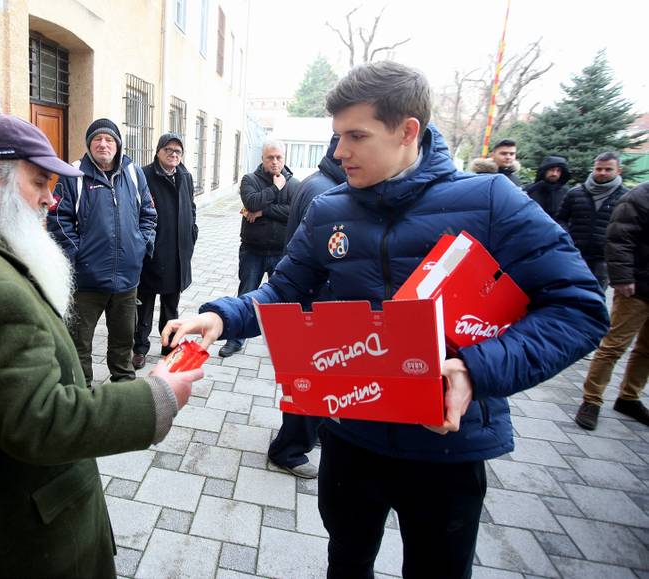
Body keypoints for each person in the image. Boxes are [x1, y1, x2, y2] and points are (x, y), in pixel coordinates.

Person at [161, 62, 608, 578]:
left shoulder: (489, 201)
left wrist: (476, 369)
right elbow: (285, 292)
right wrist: (221, 317)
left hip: (446, 446)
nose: (338, 152)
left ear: (407, 131)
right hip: (351, 436)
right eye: (336, 136)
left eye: (356, 136)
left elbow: (578, 307)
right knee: (347, 561)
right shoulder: (328, 209)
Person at [0, 113, 201, 576]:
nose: (52, 200)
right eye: (39, 184)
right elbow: (41, 419)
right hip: (4, 535)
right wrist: (158, 395)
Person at [48, 118, 157, 385]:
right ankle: (82, 394)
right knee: (79, 343)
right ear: (89, 145)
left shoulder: (133, 173)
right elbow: (58, 219)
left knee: (123, 342)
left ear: (117, 144)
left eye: (109, 139)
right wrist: (78, 256)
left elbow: (149, 214)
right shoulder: (73, 174)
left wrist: (140, 246)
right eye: (97, 139)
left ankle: (123, 391)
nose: (103, 144)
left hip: (126, 281)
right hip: (87, 281)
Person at [267, 134, 344, 479]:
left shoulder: (321, 182)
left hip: (317, 300)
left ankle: (315, 430)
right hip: (314, 303)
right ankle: (290, 449)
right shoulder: (324, 191)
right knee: (310, 380)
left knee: (319, 379)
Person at [575, 181, 649, 430]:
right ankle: (591, 399)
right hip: (637, 285)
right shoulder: (640, 196)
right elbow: (619, 238)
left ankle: (629, 397)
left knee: (646, 349)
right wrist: (624, 277)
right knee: (614, 345)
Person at [218, 141, 300, 358]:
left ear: (284, 157)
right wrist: (275, 189)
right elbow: (252, 203)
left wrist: (264, 212)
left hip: (281, 254)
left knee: (283, 301)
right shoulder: (250, 180)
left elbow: (294, 213)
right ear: (262, 158)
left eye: (279, 157)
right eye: (270, 157)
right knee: (246, 295)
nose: (275, 162)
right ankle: (235, 339)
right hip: (252, 252)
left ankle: (284, 343)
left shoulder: (295, 184)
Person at [132, 133, 198, 369]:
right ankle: (139, 348)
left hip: (178, 252)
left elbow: (191, 206)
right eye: (168, 150)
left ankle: (169, 345)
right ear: (158, 151)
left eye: (178, 151)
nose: (173, 154)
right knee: (144, 305)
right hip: (151, 252)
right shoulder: (144, 175)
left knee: (171, 304)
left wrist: (192, 233)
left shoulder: (185, 176)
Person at [556, 152, 629, 289]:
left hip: (603, 259)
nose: (602, 173)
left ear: (619, 171)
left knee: (596, 297)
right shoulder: (575, 193)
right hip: (575, 255)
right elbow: (560, 220)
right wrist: (568, 238)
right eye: (598, 169)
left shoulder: (626, 197)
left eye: (608, 169)